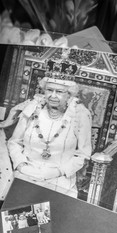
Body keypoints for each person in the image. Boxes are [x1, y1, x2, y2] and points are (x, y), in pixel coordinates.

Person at [7, 58, 92, 198]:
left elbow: (83, 154)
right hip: (25, 176)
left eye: (59, 92)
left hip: (60, 182)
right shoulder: (33, 107)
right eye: (49, 90)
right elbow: (14, 142)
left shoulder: (80, 114)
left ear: (69, 95)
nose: (53, 96)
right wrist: (21, 165)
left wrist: (58, 172)